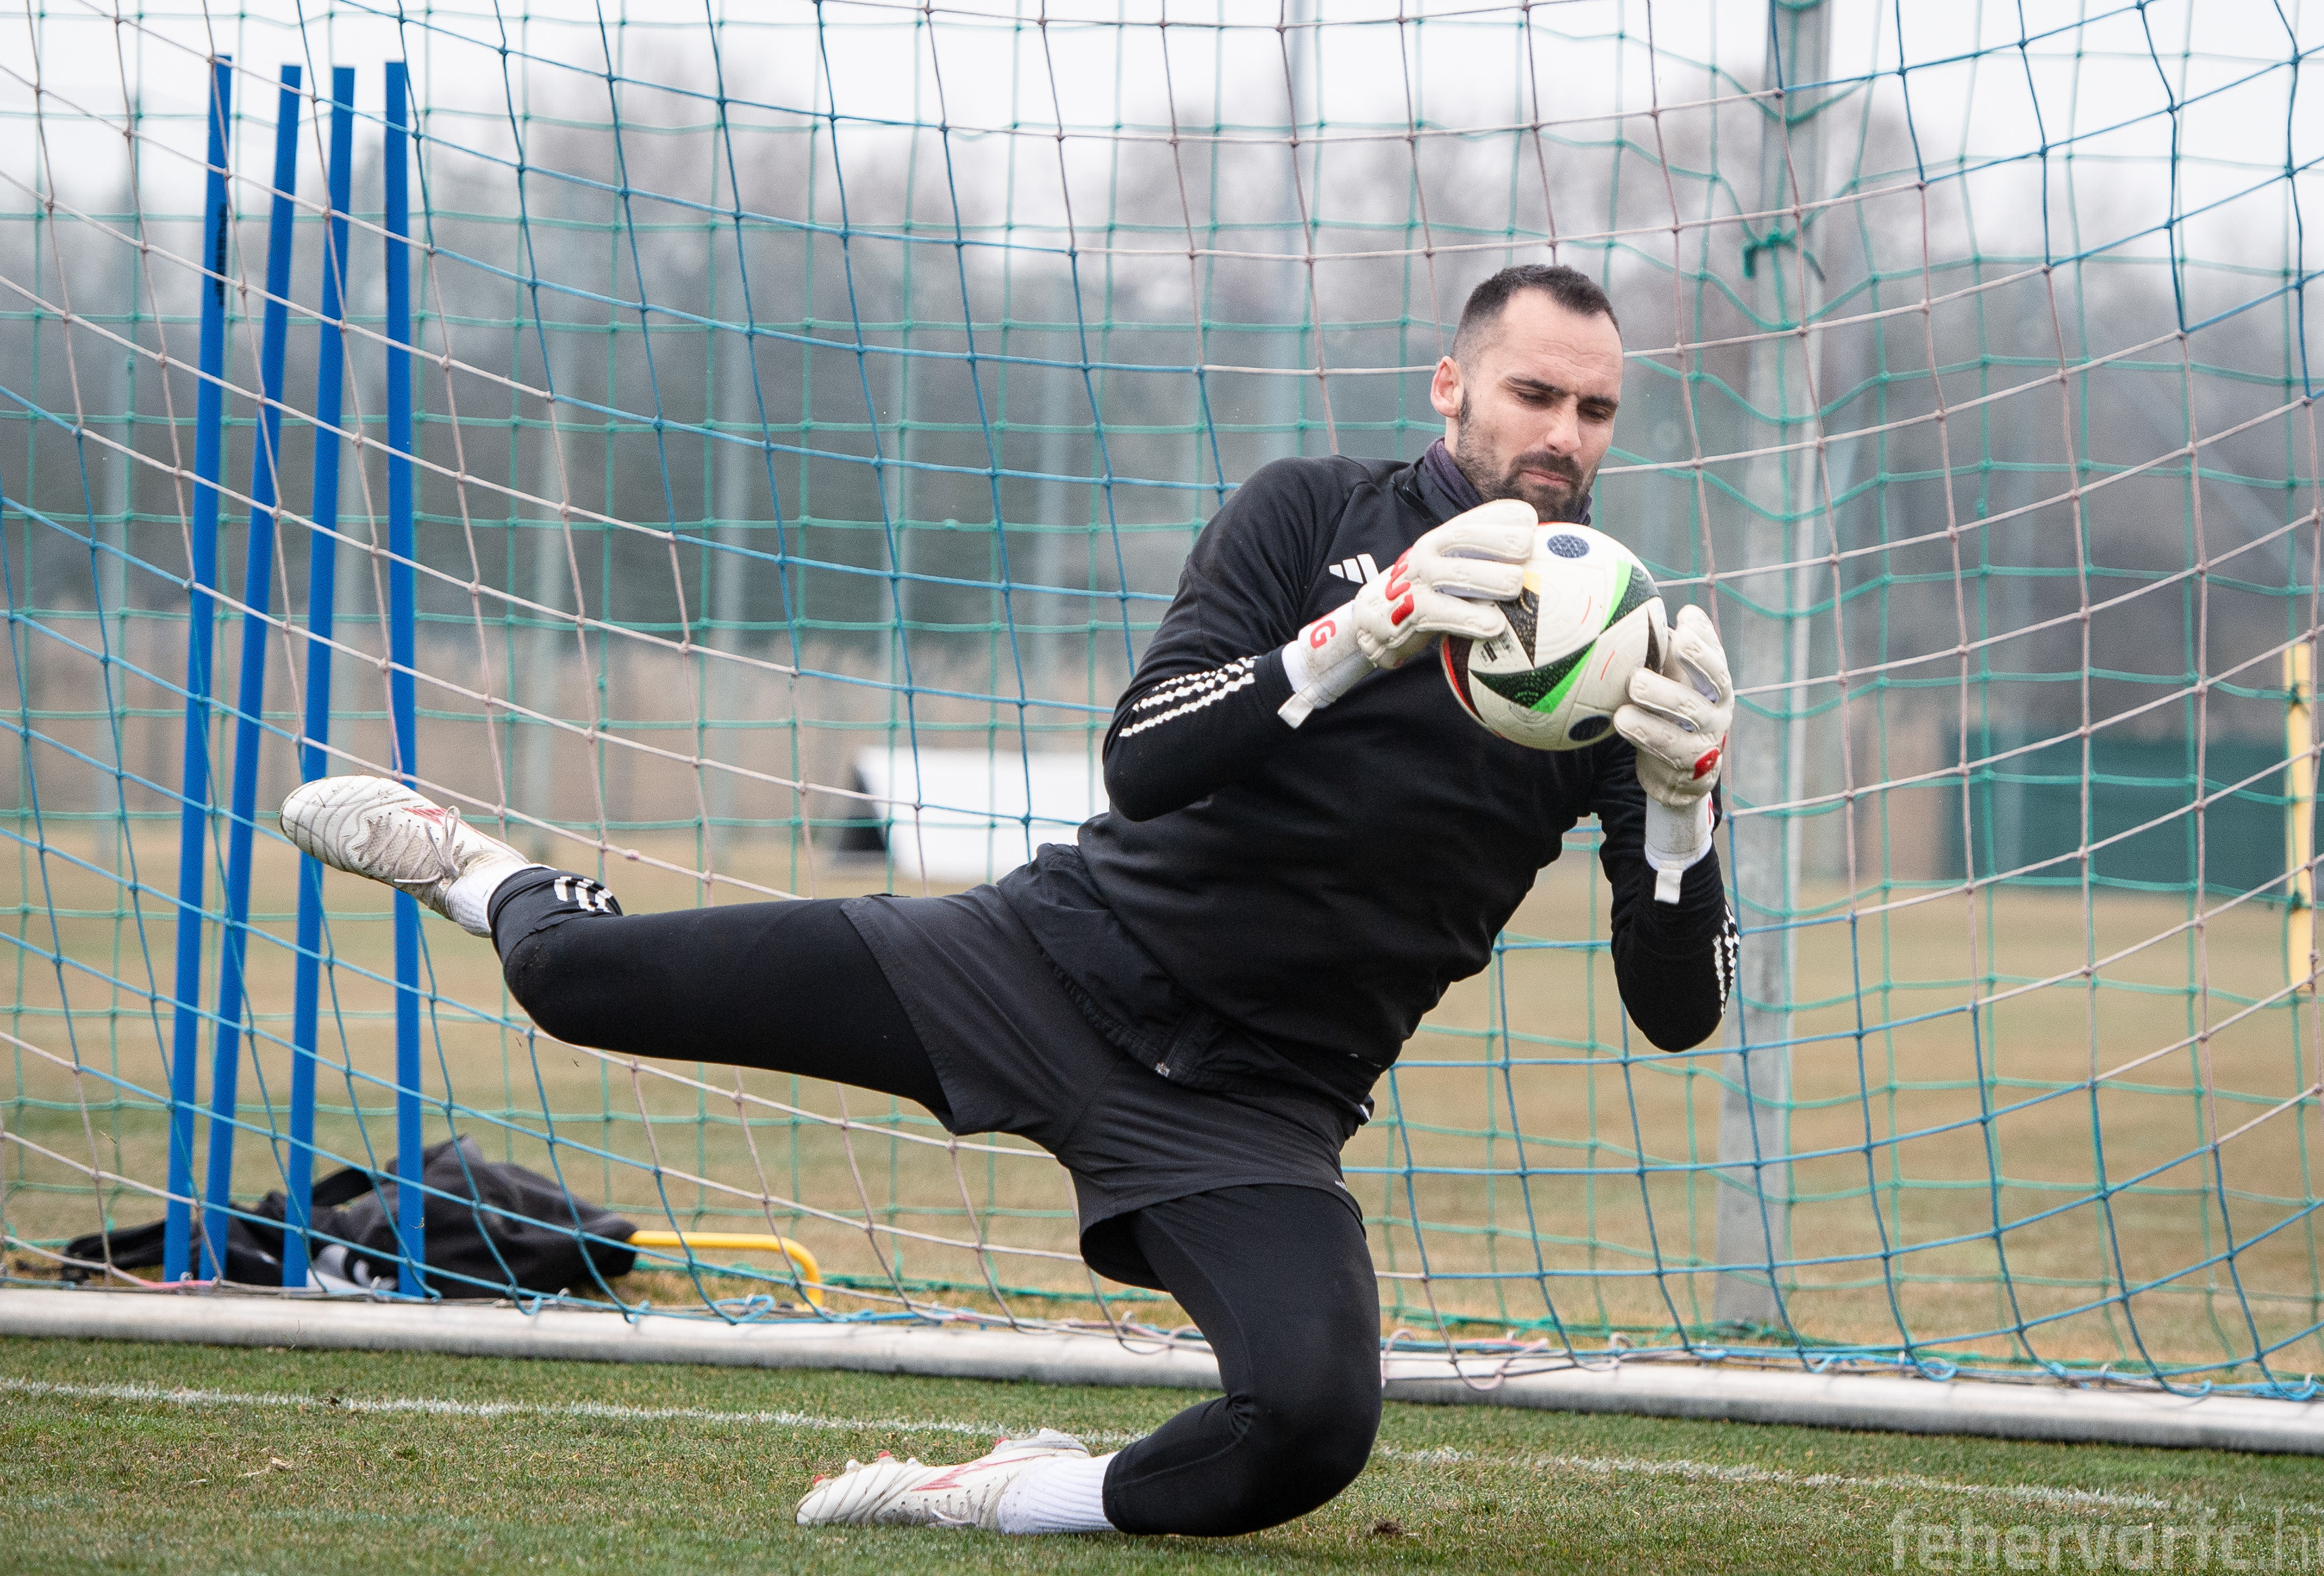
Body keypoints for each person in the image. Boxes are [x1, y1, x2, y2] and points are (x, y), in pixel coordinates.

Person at [280, 263, 1738, 1539]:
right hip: (1038, 964)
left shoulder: (1629, 661)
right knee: (572, 984)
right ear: (1451, 385)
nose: (1562, 435)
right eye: (1533, 393)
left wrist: (1682, 812)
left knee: (1308, 1426)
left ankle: (997, 1490)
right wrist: (1359, 633)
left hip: (1255, 1104)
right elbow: (1143, 758)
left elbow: (1678, 1014)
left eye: (1594, 410)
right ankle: (479, 867)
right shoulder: (1313, 513)